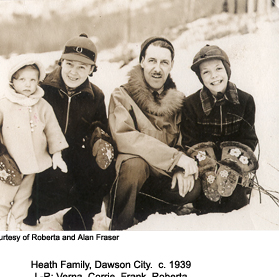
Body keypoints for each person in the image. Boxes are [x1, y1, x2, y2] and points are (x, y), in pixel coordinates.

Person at [23, 33, 115, 230]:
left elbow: (99, 125)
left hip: (76, 163)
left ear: (92, 69)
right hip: (45, 162)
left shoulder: (96, 95)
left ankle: (78, 217)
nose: (74, 72)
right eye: (70, 64)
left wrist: (100, 140)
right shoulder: (42, 87)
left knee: (104, 172)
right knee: (38, 210)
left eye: (82, 66)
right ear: (61, 62)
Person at [107, 36, 200, 230]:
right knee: (135, 165)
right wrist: (175, 159)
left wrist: (180, 167)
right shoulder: (121, 95)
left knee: (193, 186)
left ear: (171, 65)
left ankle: (152, 214)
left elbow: (182, 141)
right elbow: (125, 137)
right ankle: (120, 226)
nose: (157, 69)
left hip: (161, 177)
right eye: (152, 61)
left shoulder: (178, 101)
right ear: (142, 61)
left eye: (164, 62)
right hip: (130, 180)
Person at [0, 55, 68, 230]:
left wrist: (57, 153)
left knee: (24, 196)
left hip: (33, 162)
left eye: (33, 80)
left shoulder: (42, 105)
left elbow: (53, 130)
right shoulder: (3, 105)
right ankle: (0, 220)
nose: (28, 84)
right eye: (22, 79)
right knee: (4, 195)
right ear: (13, 81)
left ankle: (17, 222)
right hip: (10, 163)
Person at [181, 44, 259, 213]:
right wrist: (207, 169)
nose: (214, 76)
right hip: (206, 168)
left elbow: (249, 138)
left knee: (236, 204)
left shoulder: (245, 101)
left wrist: (232, 165)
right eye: (206, 72)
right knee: (208, 205)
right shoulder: (191, 104)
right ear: (200, 77)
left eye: (218, 68)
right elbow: (189, 141)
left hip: (234, 166)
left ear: (227, 70)